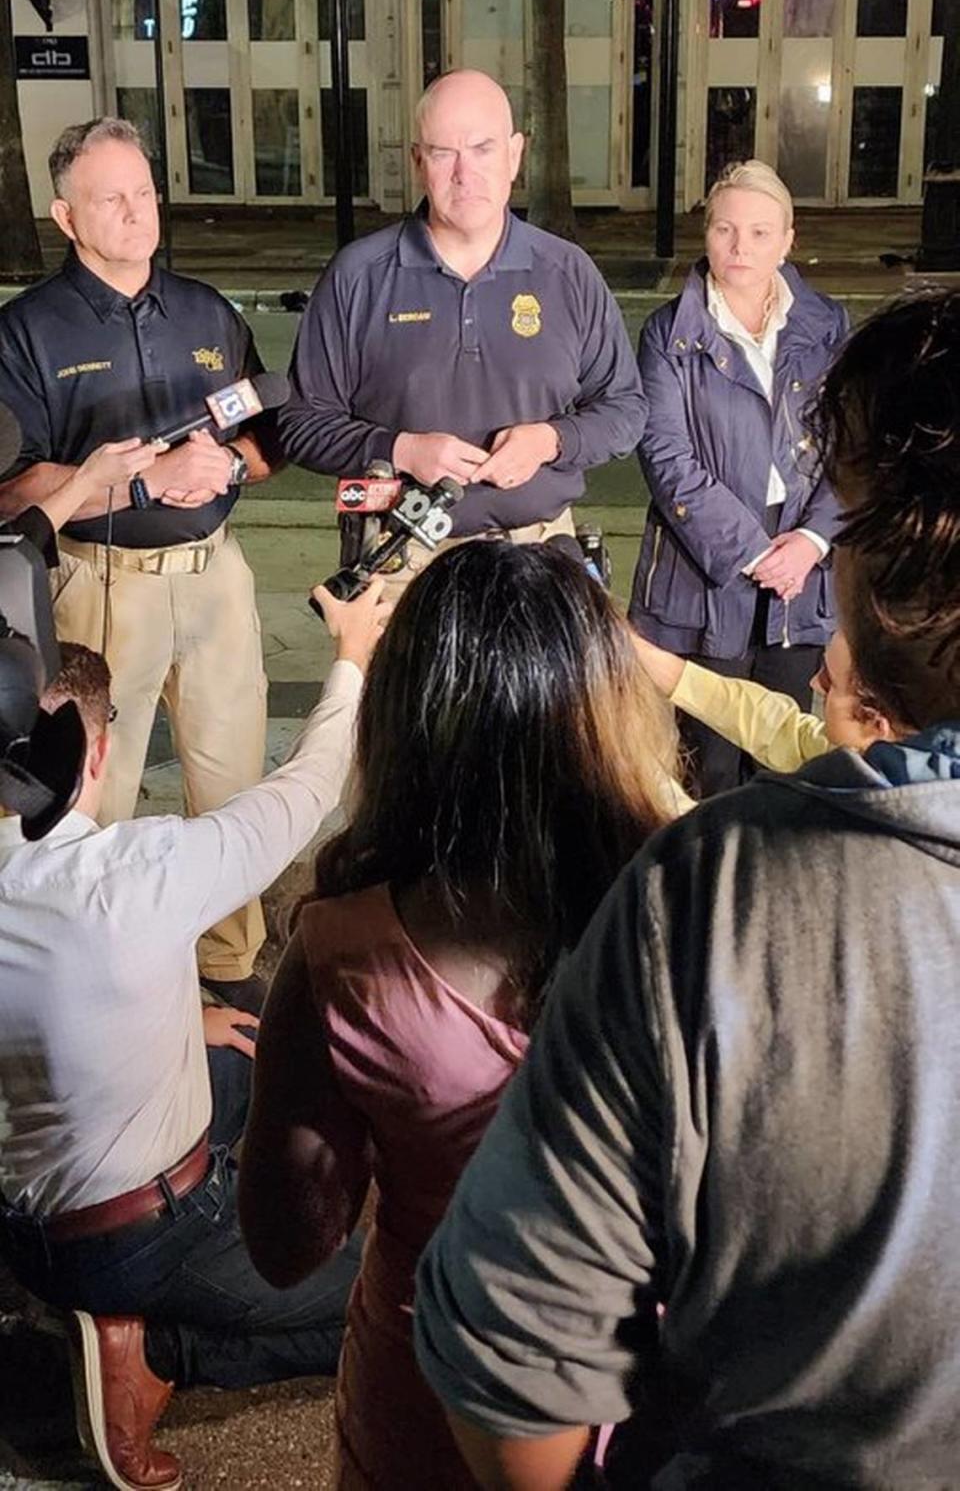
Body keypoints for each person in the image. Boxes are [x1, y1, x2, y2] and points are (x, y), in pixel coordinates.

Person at [415, 287, 960, 1488]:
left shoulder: (711, 901)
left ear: (888, 583)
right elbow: (763, 718)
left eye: (849, 516)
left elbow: (518, 1392)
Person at [237, 539, 681, 1490]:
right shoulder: (697, 910)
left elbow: (286, 1244)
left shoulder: (341, 952)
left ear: (405, 718)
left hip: (435, 1387)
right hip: (653, 1385)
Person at [0, 579, 388, 1491]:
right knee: (395, 1300)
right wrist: (351, 658)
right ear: (96, 754)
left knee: (235, 1047)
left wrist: (180, 1017)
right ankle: (157, 1350)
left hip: (26, 1213)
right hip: (131, 1235)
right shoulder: (144, 871)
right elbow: (310, 786)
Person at [0, 117, 277, 1011]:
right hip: (98, 582)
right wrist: (147, 480)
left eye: (145, 192)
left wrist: (229, 465)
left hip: (215, 576)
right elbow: (13, 488)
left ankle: (230, 965)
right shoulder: (25, 332)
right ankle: (94, 968)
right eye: (110, 198)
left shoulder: (207, 313)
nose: (136, 212)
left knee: (231, 774)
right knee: (90, 785)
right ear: (64, 215)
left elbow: (267, 436)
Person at [278, 70, 646, 592]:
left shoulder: (568, 272)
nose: (464, 173)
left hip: (540, 560)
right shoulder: (358, 276)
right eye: (443, 152)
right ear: (417, 161)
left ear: (515, 155)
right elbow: (299, 424)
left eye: (482, 148)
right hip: (401, 565)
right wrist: (399, 449)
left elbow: (626, 410)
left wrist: (551, 440)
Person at [628, 159, 849, 796]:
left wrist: (811, 542)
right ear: (708, 234)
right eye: (726, 229)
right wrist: (753, 551)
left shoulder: (827, 326)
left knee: (788, 756)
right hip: (706, 566)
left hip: (801, 571)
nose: (740, 247)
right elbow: (666, 458)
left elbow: (852, 444)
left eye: (759, 233)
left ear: (788, 238)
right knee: (706, 761)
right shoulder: (669, 334)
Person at [633, 625, 893, 773]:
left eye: (830, 683)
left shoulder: (854, 820)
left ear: (877, 726)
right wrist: (633, 645)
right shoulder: (858, 756)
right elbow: (775, 726)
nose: (815, 683)